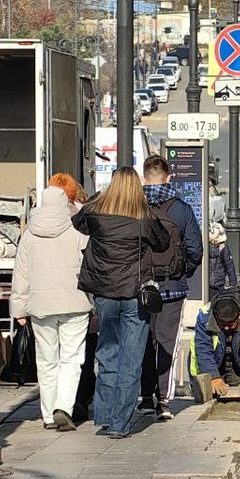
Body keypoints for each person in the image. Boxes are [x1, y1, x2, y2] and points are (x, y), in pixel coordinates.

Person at [74, 166, 170, 439]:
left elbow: (78, 222)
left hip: (104, 292)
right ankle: (120, 423)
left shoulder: (97, 213)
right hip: (134, 294)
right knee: (131, 358)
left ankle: (103, 417)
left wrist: (99, 197)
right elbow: (162, 243)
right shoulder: (144, 216)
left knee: (107, 352)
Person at [10, 186, 91, 431]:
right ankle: (64, 407)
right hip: (75, 304)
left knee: (46, 361)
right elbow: (88, 267)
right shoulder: (77, 233)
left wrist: (18, 308)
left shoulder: (29, 236)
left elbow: (21, 274)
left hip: (40, 306)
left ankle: (47, 414)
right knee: (72, 358)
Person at [139, 154, 203, 420]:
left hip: (140, 286)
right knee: (167, 342)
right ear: (168, 177)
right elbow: (195, 249)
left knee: (143, 340)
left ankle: (144, 396)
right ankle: (164, 400)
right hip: (172, 286)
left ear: (144, 177)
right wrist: (180, 272)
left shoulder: (134, 206)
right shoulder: (181, 209)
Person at [190, 289, 240, 399]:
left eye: (231, 324)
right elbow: (203, 349)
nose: (226, 327)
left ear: (239, 316)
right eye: (222, 324)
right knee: (210, 393)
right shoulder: (205, 318)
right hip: (216, 363)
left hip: (239, 364)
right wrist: (213, 377)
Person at [206, 223, 237, 294]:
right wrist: (233, 284)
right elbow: (230, 267)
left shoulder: (205, 247)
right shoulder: (223, 247)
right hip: (220, 281)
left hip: (206, 281)